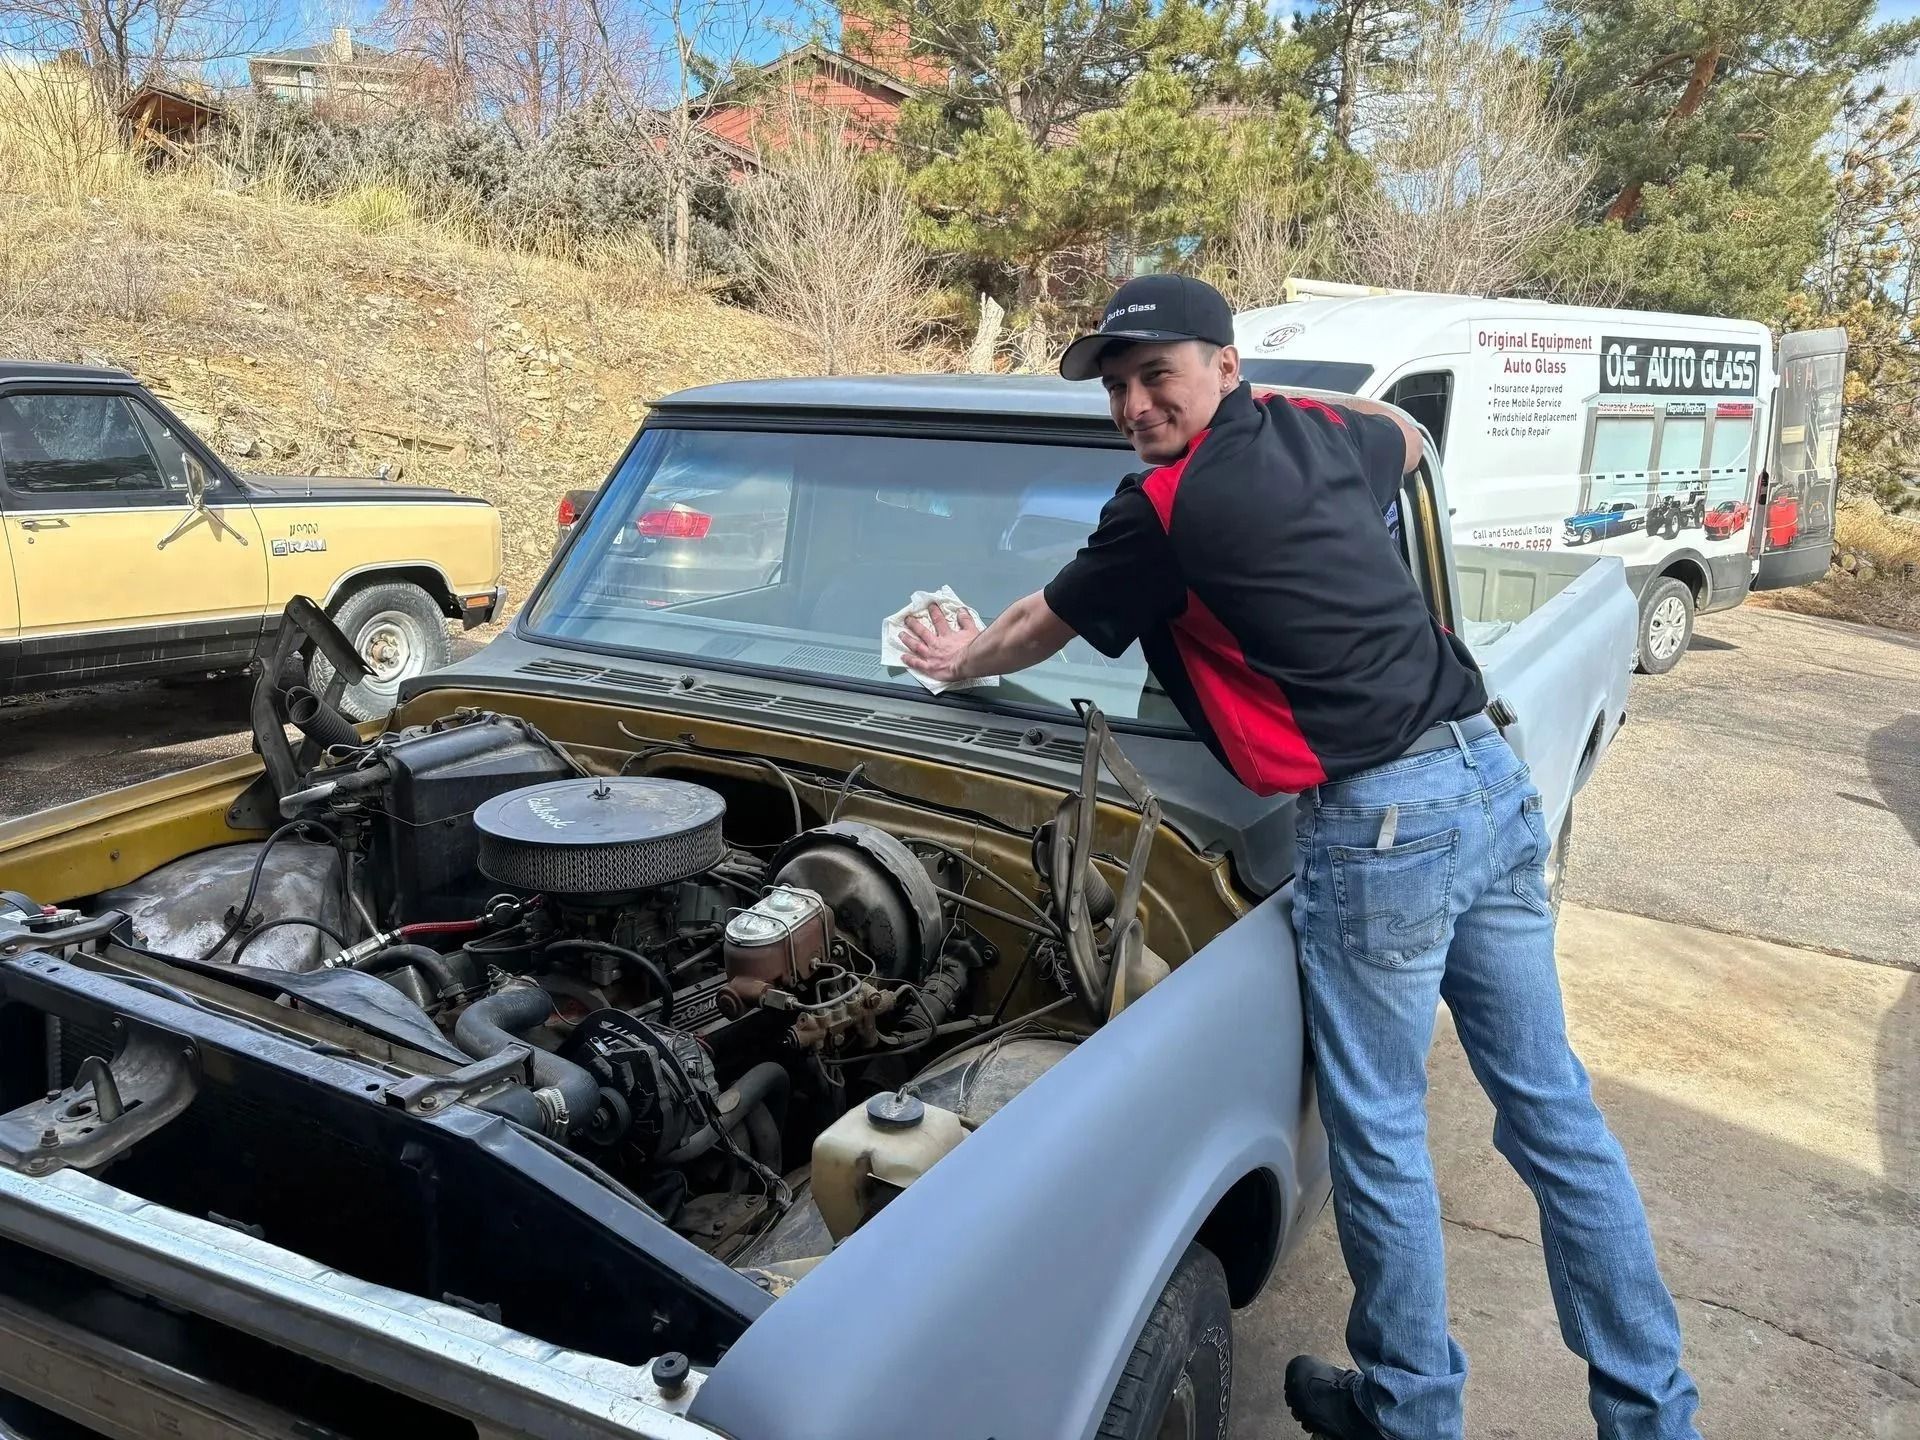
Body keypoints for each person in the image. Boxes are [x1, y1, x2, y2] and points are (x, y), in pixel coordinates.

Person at [899, 274, 1702, 1440]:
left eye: (1155, 375)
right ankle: (1652, 1414)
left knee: (1379, 1134)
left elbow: (1039, 624)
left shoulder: (1163, 511)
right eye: (1118, 387)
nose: (1132, 405)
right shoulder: (1325, 429)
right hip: (1487, 779)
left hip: (1384, 821)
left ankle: (1409, 1412)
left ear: (1225, 366)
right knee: (1553, 1115)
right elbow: (1404, 434)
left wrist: (955, 657)